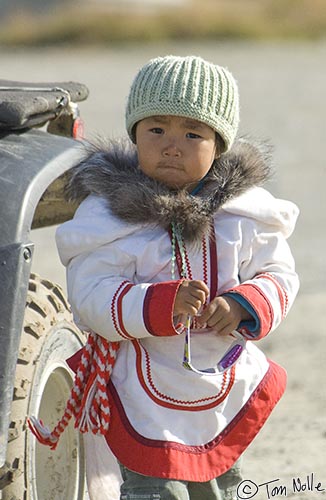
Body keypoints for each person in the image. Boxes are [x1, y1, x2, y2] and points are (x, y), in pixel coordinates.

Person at [54, 55, 299, 500]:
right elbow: (90, 294)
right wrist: (156, 304)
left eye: (193, 133)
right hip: (140, 384)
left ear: (219, 144)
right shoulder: (109, 217)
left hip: (221, 380)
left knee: (221, 482)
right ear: (134, 134)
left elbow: (279, 273)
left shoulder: (245, 215)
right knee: (152, 487)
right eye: (156, 129)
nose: (172, 145)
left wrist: (246, 302)